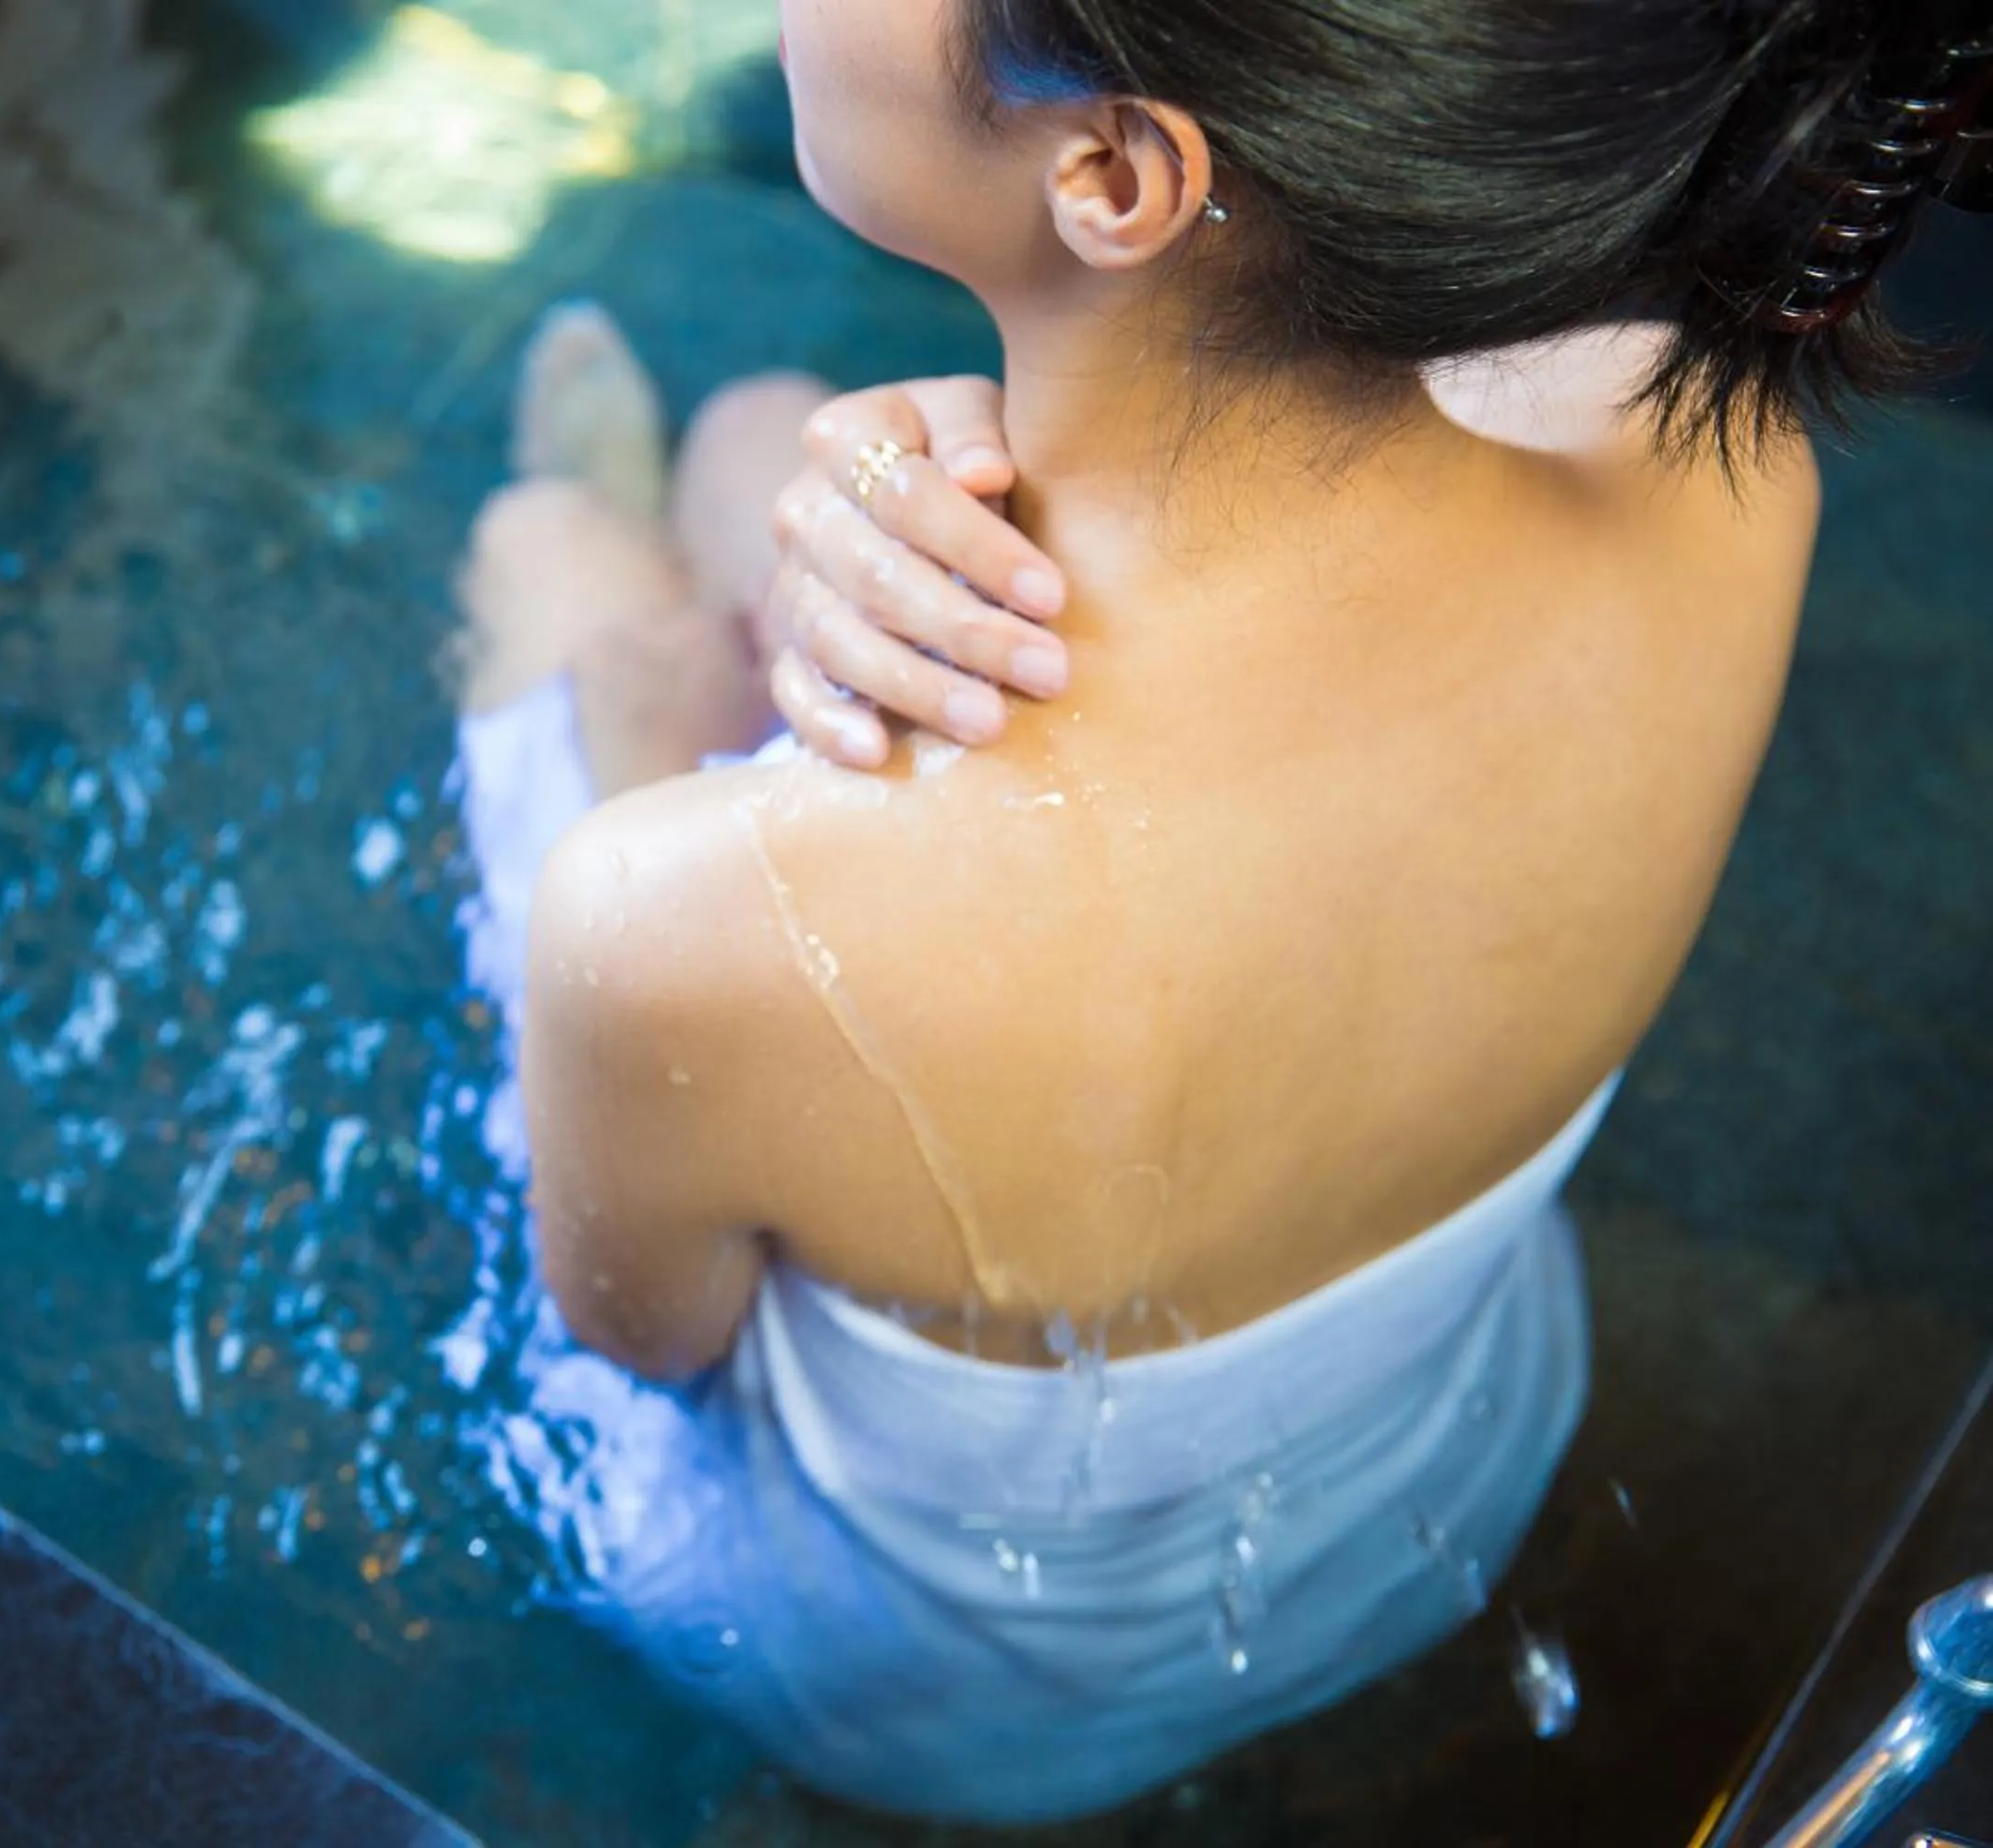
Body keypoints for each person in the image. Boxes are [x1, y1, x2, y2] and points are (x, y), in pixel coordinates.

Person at [452, 0, 1989, 1821]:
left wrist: (661, 818)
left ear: (1112, 171)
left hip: (937, 1692)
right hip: (1439, 1476)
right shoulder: (1710, 447)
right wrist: (905, 476)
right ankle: (737, 541)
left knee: (561, 578)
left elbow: (640, 1341)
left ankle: (609, 585)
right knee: (780, 442)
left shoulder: (687, 931)